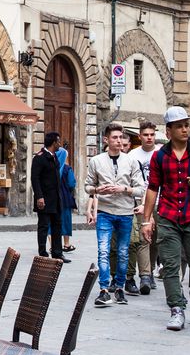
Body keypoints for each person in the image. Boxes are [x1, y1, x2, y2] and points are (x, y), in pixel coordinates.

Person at [141, 106, 190, 331]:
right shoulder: (160, 156)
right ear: (168, 131)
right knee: (170, 265)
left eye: (186, 125)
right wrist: (147, 221)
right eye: (179, 126)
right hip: (167, 216)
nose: (185, 129)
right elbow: (152, 188)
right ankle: (176, 308)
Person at [85, 123, 145, 306]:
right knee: (103, 251)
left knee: (123, 252)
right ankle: (104, 290)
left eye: (121, 137)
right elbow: (87, 186)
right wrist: (97, 189)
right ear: (106, 140)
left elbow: (141, 189)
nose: (118, 141)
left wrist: (124, 188)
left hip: (126, 212)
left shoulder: (131, 161)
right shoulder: (96, 161)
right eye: (115, 137)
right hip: (105, 212)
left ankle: (119, 287)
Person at [124, 120, 159, 295]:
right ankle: (145, 275)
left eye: (152, 134)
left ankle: (150, 271)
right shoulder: (132, 155)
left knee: (156, 240)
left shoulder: (161, 153)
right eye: (146, 135)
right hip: (139, 201)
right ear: (140, 136)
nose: (149, 138)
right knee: (143, 238)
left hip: (160, 201)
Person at [31, 131, 66, 262]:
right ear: (53, 143)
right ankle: (43, 252)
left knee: (57, 225)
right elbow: (35, 178)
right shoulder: (39, 157)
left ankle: (57, 252)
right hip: (44, 199)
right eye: (58, 141)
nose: (59, 144)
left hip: (55, 198)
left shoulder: (54, 156)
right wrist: (39, 197)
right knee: (44, 226)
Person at [57, 147, 77, 253]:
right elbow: (71, 183)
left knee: (52, 222)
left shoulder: (51, 167)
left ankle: (53, 245)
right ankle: (66, 244)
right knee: (65, 221)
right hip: (64, 198)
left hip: (52, 198)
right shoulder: (67, 168)